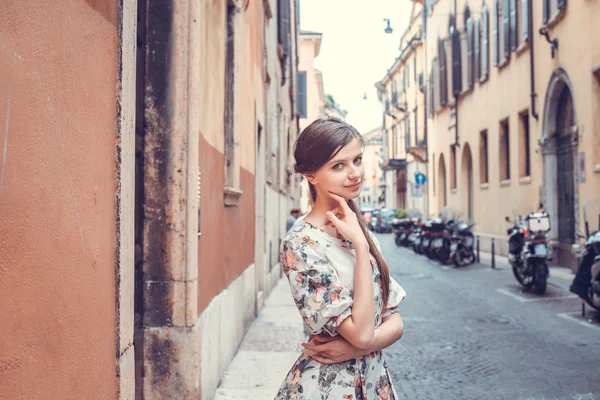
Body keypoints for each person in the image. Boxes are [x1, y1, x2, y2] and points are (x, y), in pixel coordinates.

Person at [275, 117, 406, 400]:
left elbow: (394, 322)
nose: (355, 173)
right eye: (338, 166)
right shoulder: (300, 244)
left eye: (357, 160)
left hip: (373, 381)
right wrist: (359, 246)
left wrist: (355, 349)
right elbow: (361, 333)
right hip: (328, 387)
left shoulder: (360, 229)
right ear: (311, 174)